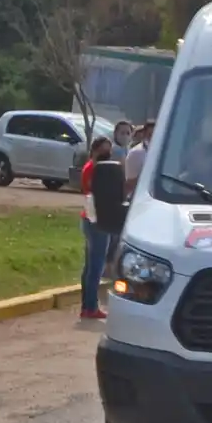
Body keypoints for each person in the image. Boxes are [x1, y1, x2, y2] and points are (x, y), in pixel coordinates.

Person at [78, 135, 117, 321]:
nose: (106, 154)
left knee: (90, 265)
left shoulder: (93, 167)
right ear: (94, 150)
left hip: (92, 217)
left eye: (108, 151)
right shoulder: (94, 169)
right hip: (96, 220)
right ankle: (91, 306)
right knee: (95, 266)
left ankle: (87, 306)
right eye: (103, 150)